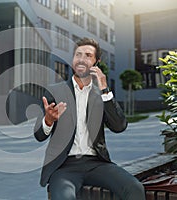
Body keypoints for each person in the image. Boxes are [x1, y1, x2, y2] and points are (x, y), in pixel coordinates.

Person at [33, 37, 145, 200]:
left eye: (87, 55)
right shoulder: (55, 92)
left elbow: (119, 126)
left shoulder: (101, 94)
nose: (81, 59)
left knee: (134, 188)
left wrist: (105, 89)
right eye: (78, 54)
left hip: (96, 163)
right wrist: (49, 121)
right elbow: (38, 135)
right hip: (64, 167)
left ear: (96, 62)